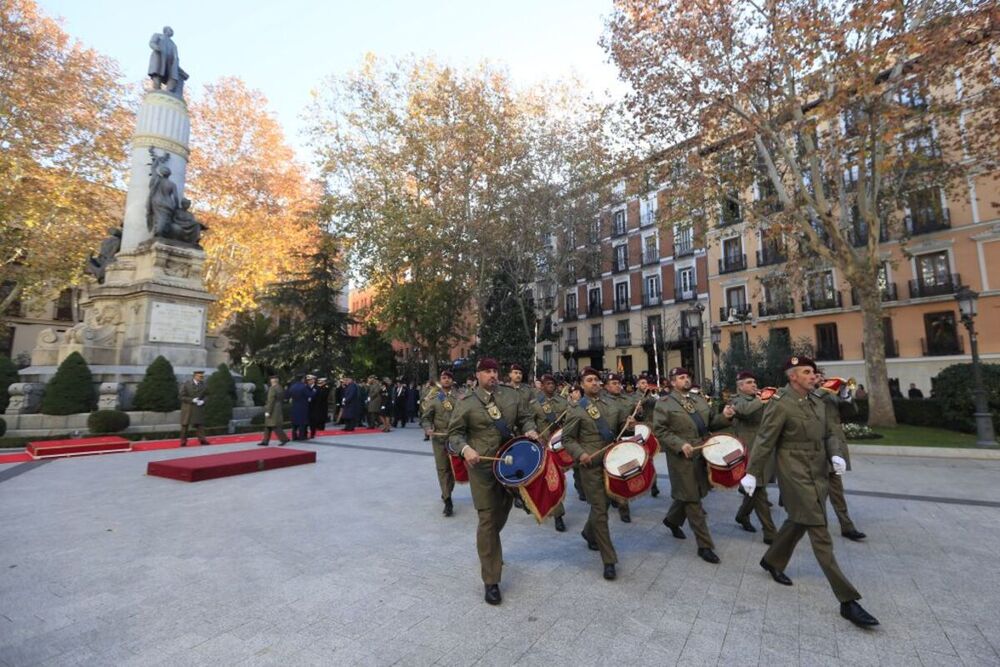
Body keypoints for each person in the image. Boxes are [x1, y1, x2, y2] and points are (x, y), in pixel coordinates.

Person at [741, 356, 879, 628]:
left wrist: (836, 455)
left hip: (817, 469)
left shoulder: (818, 400)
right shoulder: (781, 404)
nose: (812, 375)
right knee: (819, 528)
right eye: (806, 372)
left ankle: (772, 560)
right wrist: (752, 473)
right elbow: (765, 440)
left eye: (813, 371)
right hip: (793, 471)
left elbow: (830, 433)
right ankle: (847, 601)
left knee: (799, 520)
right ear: (793, 376)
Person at [448, 358, 538, 606]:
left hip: (510, 467)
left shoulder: (510, 396)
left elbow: (526, 418)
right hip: (483, 468)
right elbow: (454, 434)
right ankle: (491, 580)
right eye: (487, 371)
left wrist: (530, 430)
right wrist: (465, 449)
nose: (492, 375)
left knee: (501, 515)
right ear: (477, 375)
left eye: (495, 371)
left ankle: (489, 547)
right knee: (487, 519)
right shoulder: (466, 402)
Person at [653, 367, 735, 564]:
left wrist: (725, 415)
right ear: (672, 382)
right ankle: (704, 546)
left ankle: (672, 520)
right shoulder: (664, 404)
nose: (686, 379)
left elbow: (710, 424)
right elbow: (660, 431)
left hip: (701, 452)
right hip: (681, 456)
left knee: (693, 492)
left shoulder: (698, 399)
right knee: (693, 500)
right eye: (681, 377)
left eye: (688, 376)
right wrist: (680, 444)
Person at [562, 366, 633, 581]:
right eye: (589, 380)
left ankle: (588, 532)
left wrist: (630, 424)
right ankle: (609, 559)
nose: (594, 383)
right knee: (600, 509)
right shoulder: (576, 409)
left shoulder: (612, 404)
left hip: (611, 462)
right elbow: (567, 439)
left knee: (603, 504)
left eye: (596, 380)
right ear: (582, 385)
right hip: (590, 465)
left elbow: (623, 430)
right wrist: (581, 454)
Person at [814, 371, 866, 542]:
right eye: (817, 377)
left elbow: (851, 413)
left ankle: (847, 526)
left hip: (835, 447)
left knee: (837, 491)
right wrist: (825, 388)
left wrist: (845, 395)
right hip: (816, 449)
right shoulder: (808, 394)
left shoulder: (831, 396)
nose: (821, 380)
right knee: (817, 493)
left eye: (822, 377)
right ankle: (816, 528)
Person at [730, 371, 777, 543]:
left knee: (758, 486)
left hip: (764, 448)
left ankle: (742, 515)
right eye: (749, 382)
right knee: (759, 489)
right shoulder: (737, 400)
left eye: (755, 382)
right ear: (740, 386)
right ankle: (770, 531)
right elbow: (744, 411)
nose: (754, 385)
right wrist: (762, 399)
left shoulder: (759, 398)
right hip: (749, 450)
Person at [531, 374, 569, 532]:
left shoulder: (563, 402)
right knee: (551, 479)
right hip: (544, 446)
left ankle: (555, 508)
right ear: (542, 386)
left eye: (553, 383)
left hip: (560, 445)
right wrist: (535, 437)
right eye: (547, 383)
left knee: (559, 478)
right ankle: (558, 514)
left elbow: (570, 420)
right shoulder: (535, 404)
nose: (551, 385)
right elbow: (528, 424)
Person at [421, 370, 460, 517]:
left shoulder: (460, 397)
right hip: (439, 438)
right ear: (440, 380)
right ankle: (448, 500)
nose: (446, 380)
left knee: (453, 469)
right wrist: (427, 428)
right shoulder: (434, 398)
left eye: (449, 378)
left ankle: (447, 491)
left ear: (452, 380)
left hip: (456, 438)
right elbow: (425, 417)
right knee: (442, 468)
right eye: (444, 378)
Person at [603, 373, 634, 523]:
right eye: (613, 383)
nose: (617, 385)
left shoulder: (628, 399)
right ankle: (612, 496)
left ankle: (624, 507)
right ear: (607, 386)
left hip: (621, 441)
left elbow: (628, 424)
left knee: (622, 474)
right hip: (604, 443)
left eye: (618, 383)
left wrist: (632, 422)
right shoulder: (601, 401)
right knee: (607, 475)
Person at [178, 370, 209, 447]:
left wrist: (203, 401)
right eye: (200, 376)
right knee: (185, 425)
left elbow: (208, 395)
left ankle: (202, 440)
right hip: (188, 407)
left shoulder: (204, 385)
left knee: (200, 425)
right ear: (195, 376)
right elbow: (181, 396)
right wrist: (191, 400)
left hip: (198, 407)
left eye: (202, 376)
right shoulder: (186, 384)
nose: (202, 377)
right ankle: (183, 441)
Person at [258, 376, 289, 446]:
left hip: (273, 409)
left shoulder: (272, 388)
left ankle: (284, 439)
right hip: (278, 408)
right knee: (268, 426)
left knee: (274, 426)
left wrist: (268, 411)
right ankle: (265, 441)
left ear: (272, 381)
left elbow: (271, 401)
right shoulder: (280, 387)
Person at [288, 375, 312, 441]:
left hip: (294, 406)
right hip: (302, 407)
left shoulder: (292, 386)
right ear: (302, 379)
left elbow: (288, 394)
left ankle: (294, 436)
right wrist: (314, 391)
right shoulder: (304, 387)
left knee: (294, 423)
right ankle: (302, 436)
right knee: (302, 422)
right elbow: (309, 395)